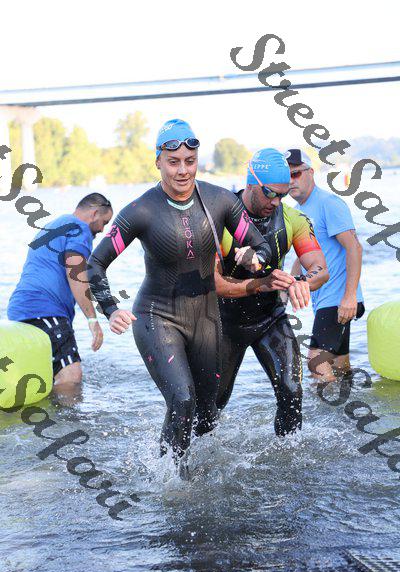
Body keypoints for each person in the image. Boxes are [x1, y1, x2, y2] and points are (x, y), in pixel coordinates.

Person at [88, 119, 272, 464]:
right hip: (157, 316)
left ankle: (191, 473)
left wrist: (254, 258)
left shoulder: (220, 200)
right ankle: (168, 479)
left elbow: (262, 247)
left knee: (207, 414)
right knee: (182, 401)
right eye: (173, 162)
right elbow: (95, 264)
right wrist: (110, 308)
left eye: (190, 161)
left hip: (205, 318)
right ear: (158, 161)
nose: (183, 170)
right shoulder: (140, 211)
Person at [215, 148, 328, 435]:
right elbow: (214, 284)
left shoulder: (293, 219)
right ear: (251, 182)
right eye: (270, 194)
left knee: (292, 391)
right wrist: (260, 284)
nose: (276, 202)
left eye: (283, 195)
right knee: (213, 403)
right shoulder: (220, 220)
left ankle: (290, 456)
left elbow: (320, 268)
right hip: (223, 324)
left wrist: (302, 281)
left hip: (270, 319)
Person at [8, 193, 113, 397]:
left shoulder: (55, 225)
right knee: (71, 375)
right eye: (104, 222)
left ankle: (46, 413)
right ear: (94, 214)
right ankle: (64, 418)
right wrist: (92, 320)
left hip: (22, 310)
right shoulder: (79, 228)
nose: (102, 230)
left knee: (47, 375)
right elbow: (75, 272)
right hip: (43, 309)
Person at [286, 149, 364, 382]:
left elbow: (354, 248)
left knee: (316, 363)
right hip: (325, 301)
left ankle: (325, 407)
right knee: (339, 365)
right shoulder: (297, 212)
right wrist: (288, 289)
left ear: (311, 172)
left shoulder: (329, 203)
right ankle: (352, 401)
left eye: (296, 174)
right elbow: (303, 257)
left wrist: (349, 297)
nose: (291, 181)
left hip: (339, 299)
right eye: (286, 176)